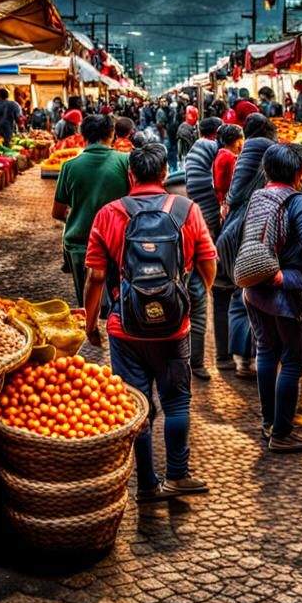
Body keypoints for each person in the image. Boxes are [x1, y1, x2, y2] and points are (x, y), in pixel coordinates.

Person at [83, 143, 217, 502]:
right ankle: (178, 475)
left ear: (130, 176)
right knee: (177, 403)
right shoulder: (187, 210)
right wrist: (198, 292)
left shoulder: (109, 213)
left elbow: (95, 276)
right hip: (175, 327)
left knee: (136, 403)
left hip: (125, 327)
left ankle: (145, 484)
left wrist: (90, 323)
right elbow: (208, 261)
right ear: (164, 174)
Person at [242, 143, 302, 452]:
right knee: (293, 360)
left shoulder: (259, 196)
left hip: (254, 288)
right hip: (286, 291)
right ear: (300, 173)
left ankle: (269, 422)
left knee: (266, 351)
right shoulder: (299, 202)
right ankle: (282, 432)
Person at [218, 114, 278, 377]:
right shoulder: (268, 151)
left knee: (239, 293)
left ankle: (242, 358)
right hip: (255, 229)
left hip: (235, 231)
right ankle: (255, 357)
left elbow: (233, 194)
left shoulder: (244, 154)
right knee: (257, 294)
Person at [51, 115, 129, 307]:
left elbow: (57, 212)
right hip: (118, 242)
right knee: (119, 302)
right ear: (112, 134)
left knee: (88, 304)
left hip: (80, 244)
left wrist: (80, 217)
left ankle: (91, 330)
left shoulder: (69, 167)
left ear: (83, 134)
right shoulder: (125, 161)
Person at [184, 117, 224, 379]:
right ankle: (196, 362)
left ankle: (183, 359)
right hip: (207, 208)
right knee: (198, 301)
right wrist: (209, 280)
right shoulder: (214, 150)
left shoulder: (194, 149)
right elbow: (207, 256)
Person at [214, 123, 244, 210]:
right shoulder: (230, 157)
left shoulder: (221, 153)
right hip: (226, 202)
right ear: (238, 142)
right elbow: (233, 183)